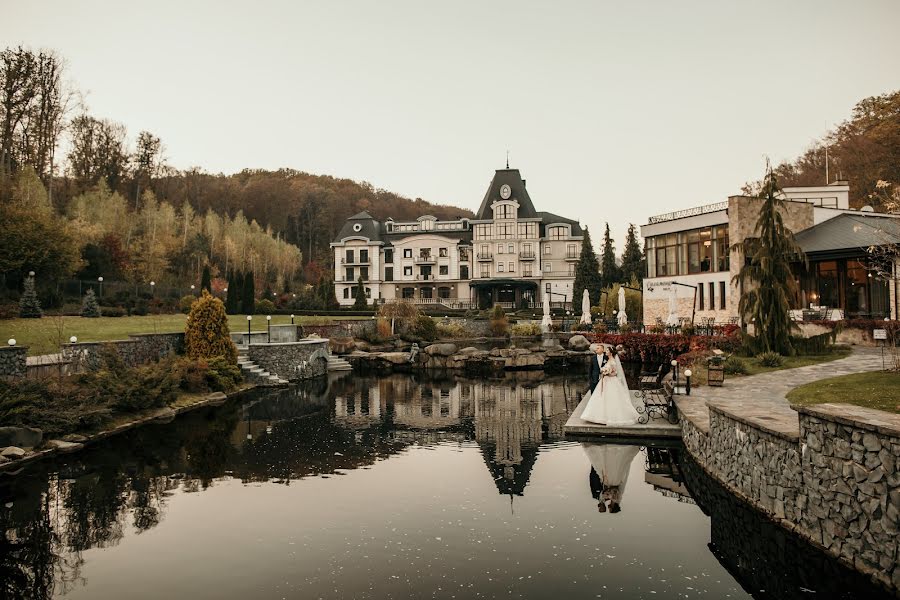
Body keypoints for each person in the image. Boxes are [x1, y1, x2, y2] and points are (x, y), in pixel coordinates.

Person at [581, 346, 639, 426]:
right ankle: (598, 415)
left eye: (607, 350)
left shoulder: (613, 361)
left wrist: (607, 373)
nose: (606, 351)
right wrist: (603, 373)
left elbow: (615, 373)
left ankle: (609, 417)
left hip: (611, 381)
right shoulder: (607, 359)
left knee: (611, 399)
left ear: (611, 352)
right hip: (604, 381)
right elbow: (591, 369)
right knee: (601, 397)